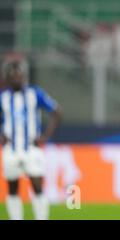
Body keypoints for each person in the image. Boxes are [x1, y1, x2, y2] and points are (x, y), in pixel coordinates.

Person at [0, 60, 62, 220]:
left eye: (18, 75)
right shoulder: (3, 97)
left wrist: (45, 136)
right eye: (13, 75)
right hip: (11, 148)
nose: (16, 78)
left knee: (37, 184)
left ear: (24, 76)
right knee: (12, 188)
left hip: (31, 147)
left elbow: (57, 111)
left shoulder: (34, 94)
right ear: (7, 77)